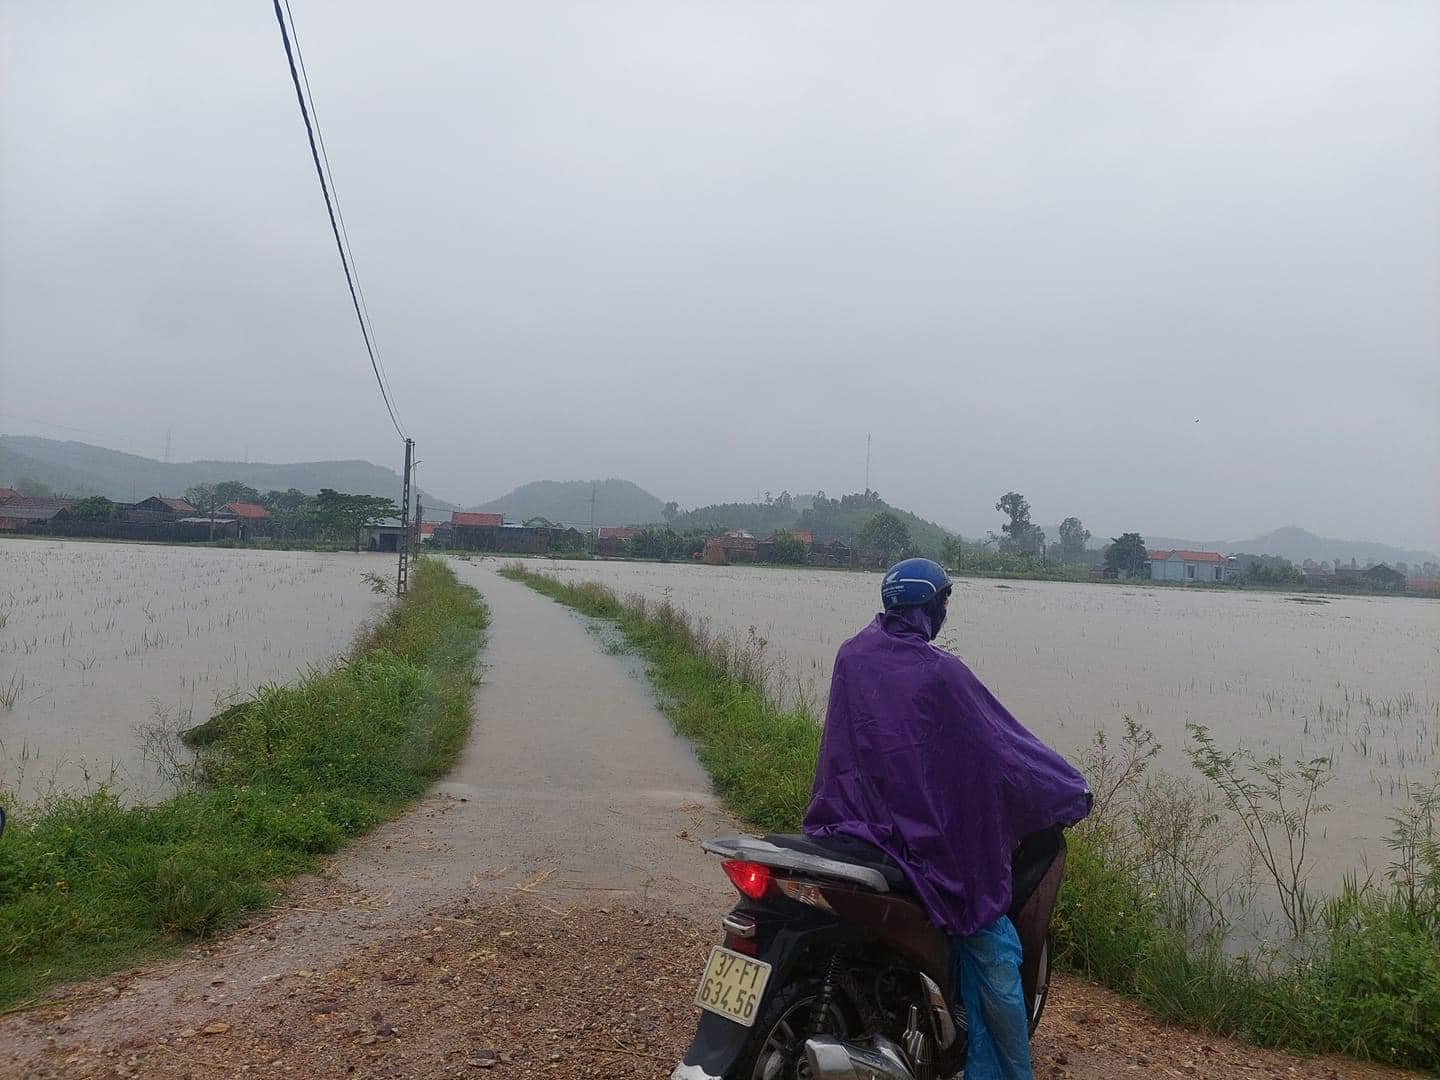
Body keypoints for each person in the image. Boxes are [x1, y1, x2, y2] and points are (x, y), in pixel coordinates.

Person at [804, 558, 1091, 1080]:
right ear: (931, 606)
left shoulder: (852, 655)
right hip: (919, 842)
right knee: (996, 945)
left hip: (848, 824)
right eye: (943, 603)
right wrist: (1066, 789)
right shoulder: (942, 673)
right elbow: (1004, 747)